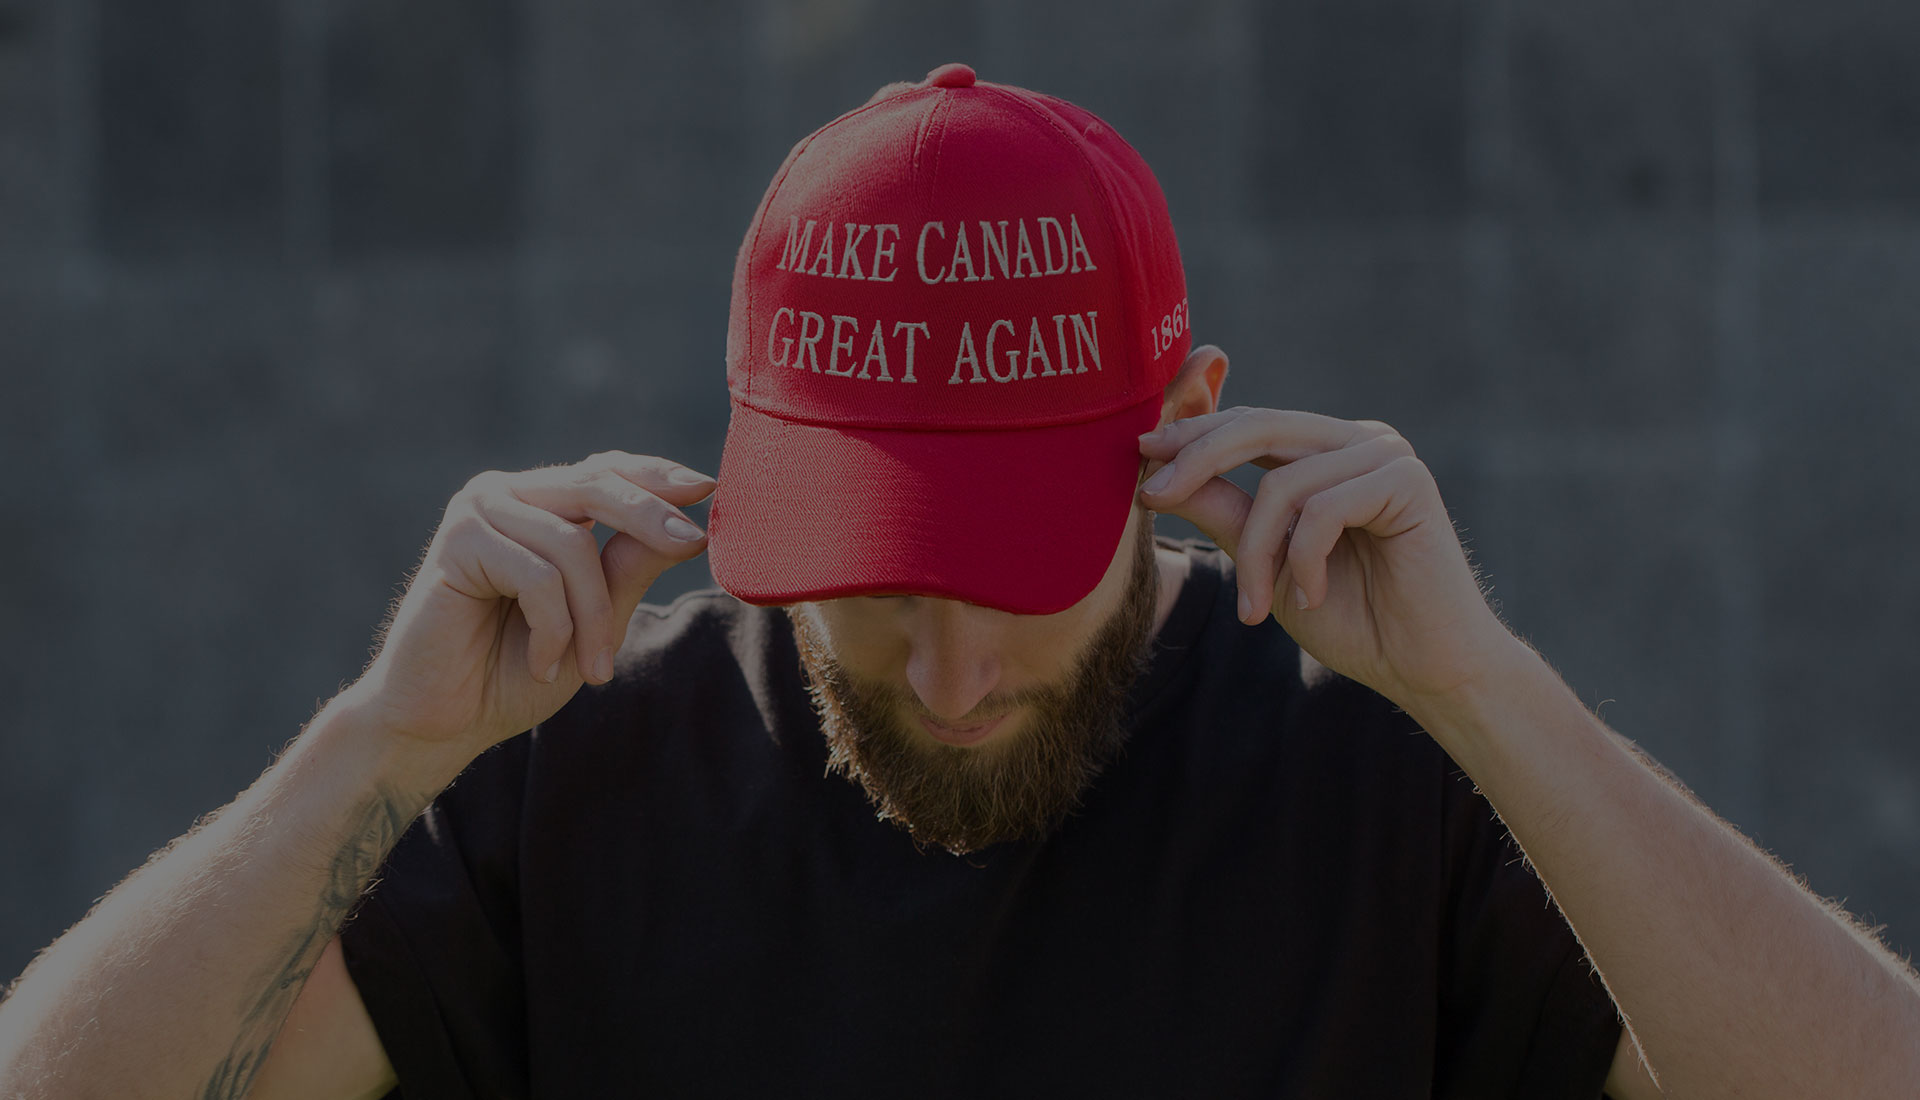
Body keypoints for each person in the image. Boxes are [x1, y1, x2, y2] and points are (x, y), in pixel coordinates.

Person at [2, 63, 1916, 1100]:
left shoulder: (1389, 782)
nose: (947, 667)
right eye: (871, 576)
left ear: (1186, 431)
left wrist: (1496, 698)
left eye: (1012, 561)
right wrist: (368, 750)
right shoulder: (567, 773)